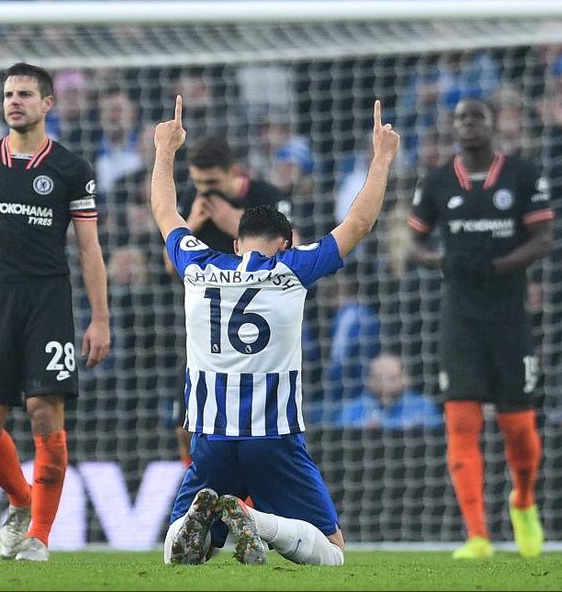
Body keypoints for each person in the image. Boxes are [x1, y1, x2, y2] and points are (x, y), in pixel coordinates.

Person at [153, 96, 399, 566]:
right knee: (334, 553)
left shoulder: (198, 267)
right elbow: (360, 222)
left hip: (210, 434)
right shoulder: (292, 269)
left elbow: (165, 211)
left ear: (237, 243)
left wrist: (165, 150)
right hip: (274, 437)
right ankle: (258, 522)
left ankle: (201, 524)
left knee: (177, 555)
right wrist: (382, 157)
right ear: (285, 243)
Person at [0, 62, 110, 562]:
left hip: (48, 300)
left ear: (47, 103)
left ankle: (39, 536)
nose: (14, 101)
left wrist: (100, 319)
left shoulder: (71, 169)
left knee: (44, 411)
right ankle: (20, 498)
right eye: (9, 94)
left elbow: (89, 248)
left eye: (25, 94)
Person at [407, 96, 554, 559]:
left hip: (509, 315)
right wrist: (441, 261)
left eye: (477, 117)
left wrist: (497, 266)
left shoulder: (523, 174)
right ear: (453, 127)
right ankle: (477, 536)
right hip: (460, 317)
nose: (469, 124)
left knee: (518, 426)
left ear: (494, 125)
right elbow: (413, 243)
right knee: (461, 421)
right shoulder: (436, 181)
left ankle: (523, 501)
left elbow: (544, 239)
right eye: (461, 118)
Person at [170, 135, 292, 468]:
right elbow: (170, 264)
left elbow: (294, 254)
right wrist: (191, 225)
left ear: (232, 171)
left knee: (253, 431)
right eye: (198, 182)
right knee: (186, 426)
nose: (204, 191)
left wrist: (235, 225)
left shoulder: (267, 198)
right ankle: (201, 487)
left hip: (258, 328)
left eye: (211, 183)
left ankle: (252, 496)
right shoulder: (192, 199)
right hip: (207, 327)